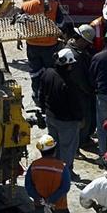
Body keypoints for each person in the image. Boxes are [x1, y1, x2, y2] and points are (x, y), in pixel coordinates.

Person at [38, 48, 85, 177]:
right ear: (68, 65)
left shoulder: (47, 73)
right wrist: (80, 118)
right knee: (68, 148)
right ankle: (66, 172)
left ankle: (54, 167)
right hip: (66, 122)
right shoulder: (68, 84)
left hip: (50, 116)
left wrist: (44, 109)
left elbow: (40, 94)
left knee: (54, 145)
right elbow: (74, 105)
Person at [19, 0, 64, 104]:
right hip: (50, 45)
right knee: (51, 72)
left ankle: (37, 97)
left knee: (35, 72)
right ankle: (51, 96)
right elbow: (61, 24)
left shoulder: (26, 6)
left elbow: (19, 23)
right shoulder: (54, 5)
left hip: (32, 45)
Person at [68, 25, 96, 144]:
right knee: (85, 118)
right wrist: (89, 91)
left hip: (80, 91)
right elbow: (79, 79)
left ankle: (84, 139)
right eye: (86, 42)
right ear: (81, 39)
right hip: (79, 93)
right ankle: (81, 141)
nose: (87, 45)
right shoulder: (75, 56)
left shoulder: (77, 50)